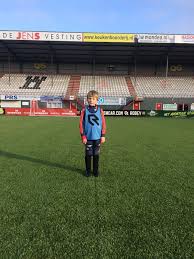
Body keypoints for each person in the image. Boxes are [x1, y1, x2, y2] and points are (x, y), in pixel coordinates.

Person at [79, 90, 106, 177]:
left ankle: (95, 170)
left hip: (98, 137)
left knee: (96, 154)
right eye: (90, 98)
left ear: (97, 100)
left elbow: (103, 123)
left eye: (93, 99)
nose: (91, 100)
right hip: (88, 137)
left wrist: (103, 135)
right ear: (87, 100)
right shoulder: (84, 110)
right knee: (88, 154)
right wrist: (83, 136)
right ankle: (87, 170)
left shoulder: (100, 110)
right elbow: (81, 124)